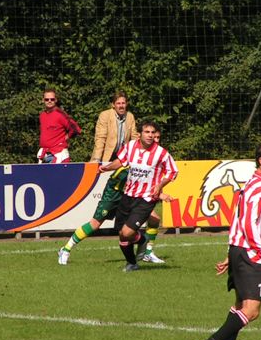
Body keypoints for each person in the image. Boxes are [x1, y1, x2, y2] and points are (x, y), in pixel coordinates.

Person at [194, 142, 261, 340]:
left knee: (239, 305)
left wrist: (230, 252)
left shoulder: (251, 185)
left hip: (240, 249)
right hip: (251, 254)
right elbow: (249, 223)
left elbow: (237, 219)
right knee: (252, 310)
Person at [58, 129, 171, 265]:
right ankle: (65, 249)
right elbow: (124, 168)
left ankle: (147, 253)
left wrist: (158, 191)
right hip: (115, 193)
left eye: (158, 137)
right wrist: (107, 168)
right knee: (95, 224)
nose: (155, 139)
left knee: (154, 219)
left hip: (132, 196)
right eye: (153, 136)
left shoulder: (157, 155)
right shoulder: (135, 151)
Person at [98, 121, 179, 272]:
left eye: (152, 132)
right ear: (140, 134)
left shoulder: (161, 153)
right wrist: (106, 168)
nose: (150, 135)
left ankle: (140, 243)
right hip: (128, 195)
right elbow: (121, 161)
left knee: (128, 232)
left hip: (146, 198)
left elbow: (173, 171)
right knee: (122, 235)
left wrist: (160, 186)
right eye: (147, 132)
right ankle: (132, 261)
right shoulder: (130, 147)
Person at [90, 91, 139, 162]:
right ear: (113, 105)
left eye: (123, 103)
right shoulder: (105, 115)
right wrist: (97, 158)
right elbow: (100, 138)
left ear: (126, 104)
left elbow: (134, 138)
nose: (121, 106)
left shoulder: (130, 116)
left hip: (121, 157)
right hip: (106, 156)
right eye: (118, 103)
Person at [37, 88, 81, 163]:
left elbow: (76, 129)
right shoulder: (42, 115)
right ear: (43, 100)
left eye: (52, 99)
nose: (49, 101)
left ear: (56, 100)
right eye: (47, 99)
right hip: (45, 154)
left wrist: (65, 138)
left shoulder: (60, 114)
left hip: (59, 154)